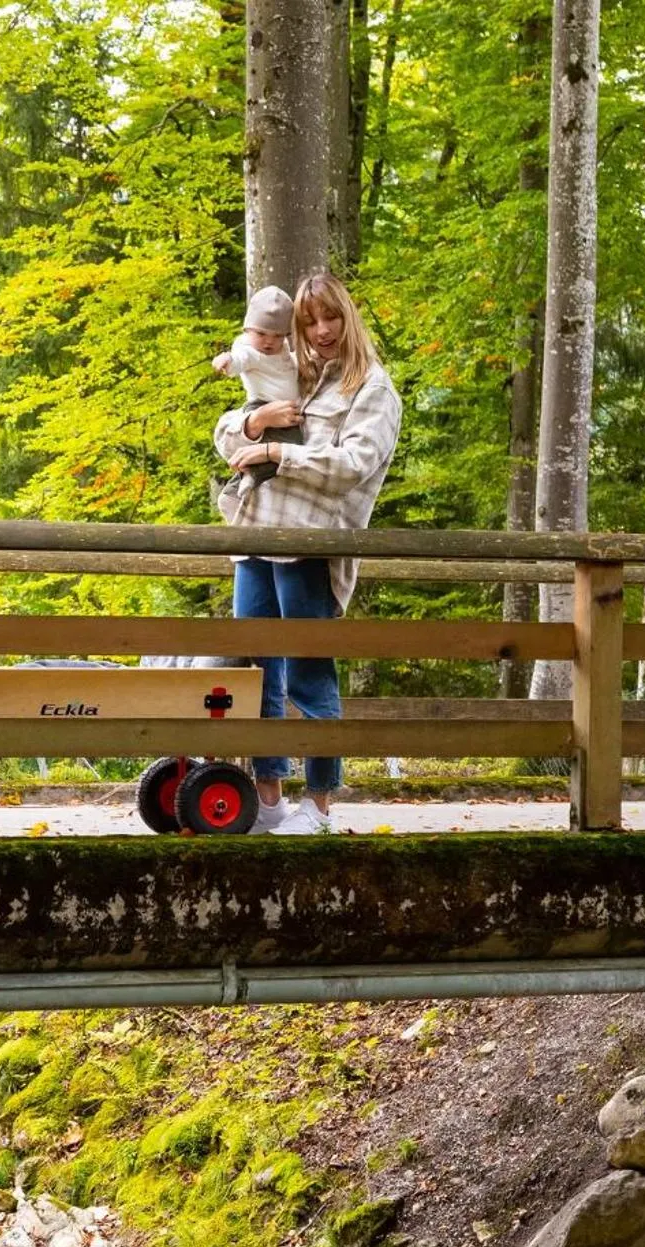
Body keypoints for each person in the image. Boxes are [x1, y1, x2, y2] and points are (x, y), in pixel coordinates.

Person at [213, 273, 404, 836]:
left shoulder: (372, 390)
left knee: (310, 676)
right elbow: (225, 436)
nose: (321, 331)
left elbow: (352, 467)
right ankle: (268, 798)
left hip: (312, 551)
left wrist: (274, 451)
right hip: (254, 538)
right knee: (257, 674)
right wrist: (254, 422)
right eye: (309, 321)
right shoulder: (289, 372)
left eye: (331, 317)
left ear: (349, 316)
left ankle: (318, 806)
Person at [211, 285, 303, 483]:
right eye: (261, 334)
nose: (268, 342)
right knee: (283, 449)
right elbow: (240, 359)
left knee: (292, 447)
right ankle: (247, 480)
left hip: (286, 411)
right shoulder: (251, 351)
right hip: (262, 405)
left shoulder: (283, 351)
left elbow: (290, 368)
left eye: (277, 336)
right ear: (248, 329)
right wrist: (227, 360)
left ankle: (249, 478)